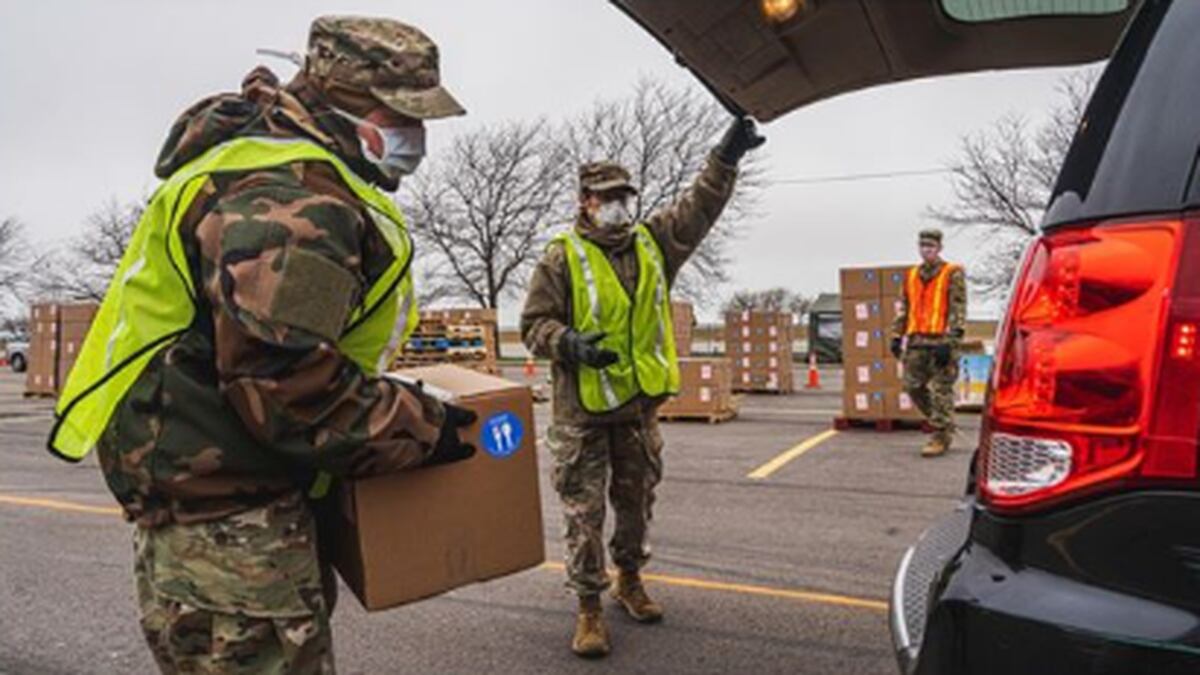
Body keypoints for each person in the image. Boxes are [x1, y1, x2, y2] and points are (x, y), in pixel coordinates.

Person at [48, 16, 477, 673]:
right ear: (349, 105)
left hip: (212, 506)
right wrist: (424, 427)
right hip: (232, 533)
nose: (415, 139)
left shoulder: (263, 160)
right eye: (403, 117)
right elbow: (285, 388)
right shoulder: (288, 200)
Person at [520, 117, 765, 658]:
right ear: (585, 202)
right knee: (583, 515)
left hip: (636, 410)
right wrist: (569, 343)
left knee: (636, 504)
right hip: (581, 415)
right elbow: (533, 325)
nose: (619, 207)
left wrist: (725, 159)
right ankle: (588, 607)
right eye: (607, 198)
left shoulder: (653, 243)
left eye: (624, 197)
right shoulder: (560, 256)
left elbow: (699, 207)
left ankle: (629, 580)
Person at [889, 228, 967, 458]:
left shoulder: (952, 272)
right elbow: (904, 307)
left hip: (941, 341)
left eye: (931, 247)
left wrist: (951, 340)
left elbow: (958, 308)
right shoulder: (911, 275)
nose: (926, 251)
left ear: (939, 248)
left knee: (941, 390)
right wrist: (896, 335)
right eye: (923, 246)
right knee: (912, 386)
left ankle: (940, 435)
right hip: (917, 341)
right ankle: (942, 421)